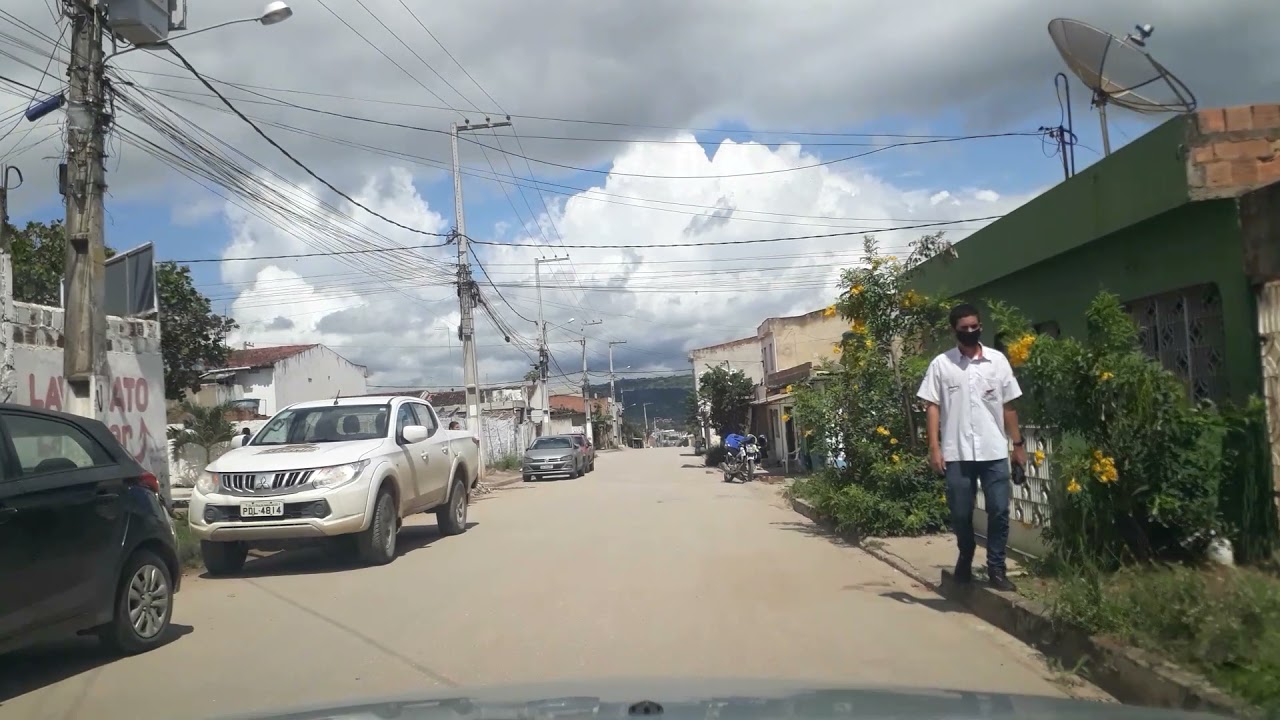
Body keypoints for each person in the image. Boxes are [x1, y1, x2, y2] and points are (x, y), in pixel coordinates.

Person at [917, 302, 1026, 592]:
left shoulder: (998, 361)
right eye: (964, 328)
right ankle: (966, 553)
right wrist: (934, 448)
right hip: (957, 453)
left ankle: (996, 567)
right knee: (961, 513)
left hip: (993, 452)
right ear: (954, 330)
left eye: (974, 327)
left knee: (999, 510)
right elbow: (932, 407)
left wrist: (1017, 445)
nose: (970, 332)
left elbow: (1009, 406)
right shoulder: (942, 365)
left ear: (980, 327)